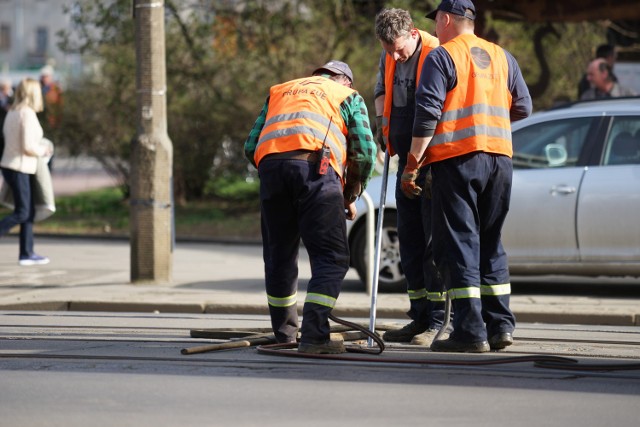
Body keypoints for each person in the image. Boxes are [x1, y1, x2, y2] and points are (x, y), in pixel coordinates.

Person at [406, 0, 532, 352]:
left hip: (457, 160)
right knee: (490, 242)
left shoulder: (442, 56)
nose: (435, 30)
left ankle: (470, 331)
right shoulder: (502, 56)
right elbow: (524, 106)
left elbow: (428, 112)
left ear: (446, 20)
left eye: (437, 23)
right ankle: (501, 327)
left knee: (461, 242)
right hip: (500, 158)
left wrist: (413, 163)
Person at [244, 60, 376, 354]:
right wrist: (349, 194)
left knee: (279, 256)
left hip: (272, 170)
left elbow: (250, 146)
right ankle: (315, 335)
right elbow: (365, 152)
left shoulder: (281, 91)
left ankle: (285, 334)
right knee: (332, 256)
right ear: (347, 81)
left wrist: (278, 169)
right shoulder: (346, 96)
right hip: (316, 171)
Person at [372, 8, 448, 346]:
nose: (395, 56)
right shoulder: (388, 55)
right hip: (404, 160)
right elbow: (380, 91)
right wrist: (381, 123)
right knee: (410, 241)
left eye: (399, 49)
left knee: (434, 245)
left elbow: (435, 110)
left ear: (414, 33)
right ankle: (418, 315)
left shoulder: (435, 53)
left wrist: (419, 164)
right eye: (389, 50)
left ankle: (436, 319)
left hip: (432, 163)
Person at [0, 78, 54, 266]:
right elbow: (29, 146)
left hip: (12, 165)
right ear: (33, 93)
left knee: (28, 211)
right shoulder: (27, 114)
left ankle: (27, 252)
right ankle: (26, 252)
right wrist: (44, 150)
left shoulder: (12, 112)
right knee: (23, 212)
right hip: (20, 166)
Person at [39, 65, 63, 130]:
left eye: (46, 76)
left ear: (51, 77)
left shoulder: (56, 89)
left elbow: (59, 105)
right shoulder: (39, 88)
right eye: (43, 77)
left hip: (52, 120)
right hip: (42, 118)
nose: (44, 79)